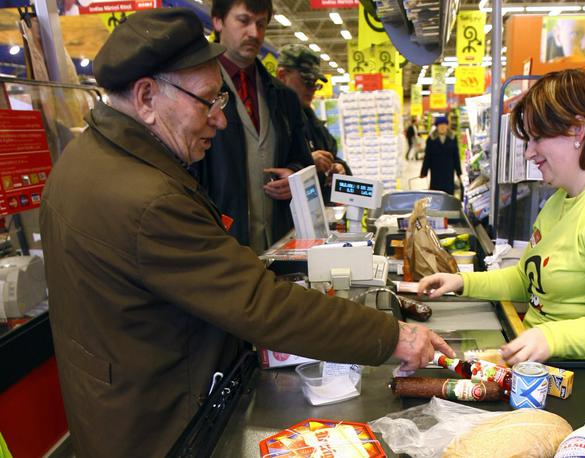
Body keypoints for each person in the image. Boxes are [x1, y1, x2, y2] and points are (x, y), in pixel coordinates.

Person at [39, 9, 453, 457]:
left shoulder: (86, 159)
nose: (219, 120)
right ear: (145, 98)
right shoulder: (144, 199)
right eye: (208, 101)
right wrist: (395, 336)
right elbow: (259, 303)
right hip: (158, 426)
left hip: (116, 403)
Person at [418, 69, 585, 366]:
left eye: (537, 138)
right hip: (544, 365)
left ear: (578, 130)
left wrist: (551, 337)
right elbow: (527, 280)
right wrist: (462, 282)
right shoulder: (562, 199)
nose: (528, 153)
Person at [196, 0, 314, 254]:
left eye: (261, 24)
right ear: (217, 21)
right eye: (244, 20)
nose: (254, 33)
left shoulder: (284, 97)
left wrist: (293, 176)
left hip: (281, 245)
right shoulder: (196, 95)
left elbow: (302, 159)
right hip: (221, 247)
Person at [276, 44, 352, 204]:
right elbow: (268, 173)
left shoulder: (308, 116)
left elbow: (330, 151)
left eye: (315, 83)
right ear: (282, 75)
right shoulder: (272, 119)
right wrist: (307, 162)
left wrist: (338, 167)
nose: (312, 89)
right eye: (307, 81)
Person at [420, 116, 462, 198]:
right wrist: (424, 172)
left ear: (447, 126)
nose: (442, 127)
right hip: (436, 171)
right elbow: (427, 157)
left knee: (448, 193)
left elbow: (456, 156)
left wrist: (459, 172)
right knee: (436, 193)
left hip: (449, 171)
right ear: (437, 126)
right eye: (440, 125)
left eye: (444, 125)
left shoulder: (453, 137)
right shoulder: (431, 138)